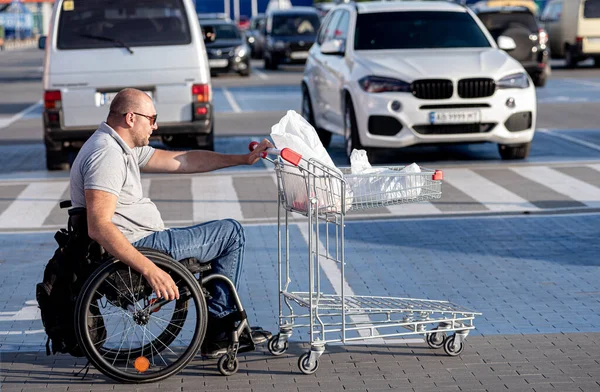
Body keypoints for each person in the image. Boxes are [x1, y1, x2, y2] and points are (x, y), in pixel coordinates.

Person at [69, 88, 273, 358]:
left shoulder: (121, 147)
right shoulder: (107, 155)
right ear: (131, 118)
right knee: (230, 233)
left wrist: (241, 159)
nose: (156, 125)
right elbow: (99, 226)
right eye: (151, 118)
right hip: (143, 246)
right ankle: (219, 329)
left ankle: (219, 328)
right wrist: (151, 270)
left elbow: (185, 160)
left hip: (146, 240)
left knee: (217, 237)